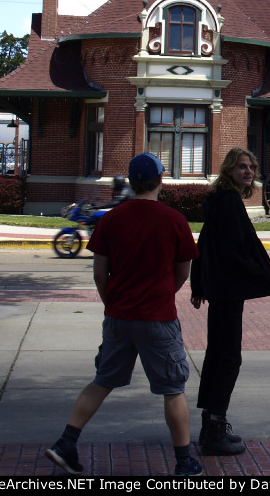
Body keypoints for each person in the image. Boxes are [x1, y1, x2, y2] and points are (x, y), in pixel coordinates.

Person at [45, 153, 203, 477]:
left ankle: (66, 443)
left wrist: (112, 303)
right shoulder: (174, 220)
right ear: (160, 181)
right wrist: (161, 295)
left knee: (102, 381)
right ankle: (184, 461)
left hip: (119, 317)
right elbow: (183, 271)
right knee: (172, 388)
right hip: (158, 318)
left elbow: (99, 273)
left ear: (130, 182)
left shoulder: (111, 220)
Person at [190, 147, 270, 456]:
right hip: (228, 291)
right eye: (242, 166)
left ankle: (210, 426)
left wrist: (200, 282)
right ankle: (214, 430)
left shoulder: (218, 200)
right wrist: (260, 273)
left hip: (219, 289)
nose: (248, 172)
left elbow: (205, 243)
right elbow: (232, 250)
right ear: (229, 170)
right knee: (228, 359)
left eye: (251, 167)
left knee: (217, 356)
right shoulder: (228, 202)